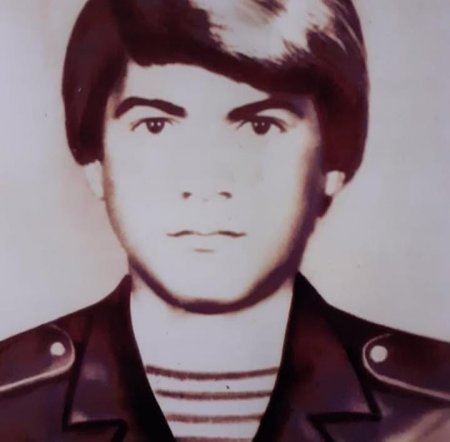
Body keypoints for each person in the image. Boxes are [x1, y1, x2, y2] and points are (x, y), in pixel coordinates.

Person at [0, 0, 449, 440]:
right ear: (95, 163)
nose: (206, 182)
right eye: (155, 125)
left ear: (332, 164)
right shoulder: (12, 405)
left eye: (260, 126)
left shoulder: (433, 409)